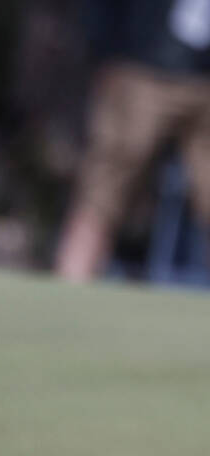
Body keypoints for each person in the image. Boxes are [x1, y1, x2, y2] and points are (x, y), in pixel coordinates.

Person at [55, 0, 210, 281]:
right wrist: (105, 54)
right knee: (106, 185)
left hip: (203, 76)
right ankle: (71, 281)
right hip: (141, 68)